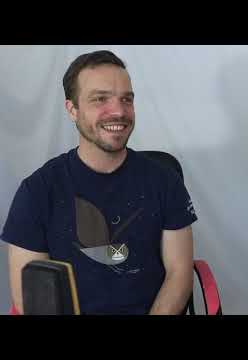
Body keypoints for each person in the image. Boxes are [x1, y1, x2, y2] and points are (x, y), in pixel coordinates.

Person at [1, 50, 197, 314]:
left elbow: (179, 274)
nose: (118, 111)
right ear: (72, 109)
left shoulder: (165, 182)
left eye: (126, 99)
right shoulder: (36, 192)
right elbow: (33, 301)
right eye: (100, 99)